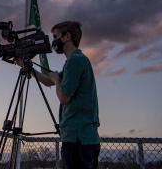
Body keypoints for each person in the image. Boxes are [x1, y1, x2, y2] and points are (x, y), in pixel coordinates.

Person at [16, 21, 100, 169]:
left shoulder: (75, 61)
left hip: (77, 138)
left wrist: (56, 79)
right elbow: (49, 81)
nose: (53, 41)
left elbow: (64, 97)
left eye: (55, 36)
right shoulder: (75, 61)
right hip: (83, 138)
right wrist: (27, 66)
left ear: (67, 36)